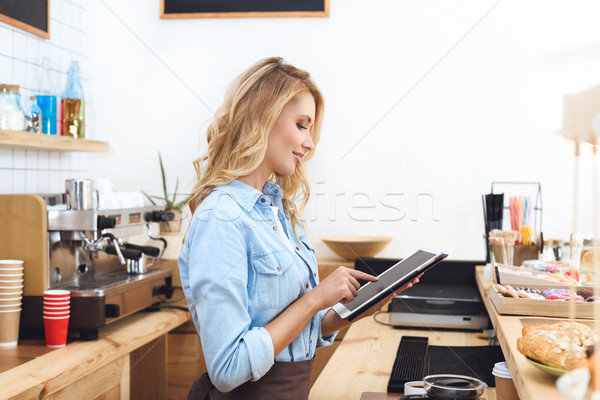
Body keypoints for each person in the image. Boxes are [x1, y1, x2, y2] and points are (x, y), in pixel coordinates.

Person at [178, 57, 419, 400]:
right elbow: (228, 368)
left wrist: (355, 309)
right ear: (263, 117)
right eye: (302, 125)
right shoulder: (220, 218)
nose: (310, 144)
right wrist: (314, 299)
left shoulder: (280, 212)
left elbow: (301, 331)